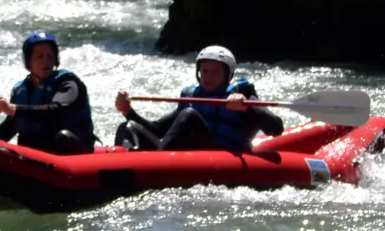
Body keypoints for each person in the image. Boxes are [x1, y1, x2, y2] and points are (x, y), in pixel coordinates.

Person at [113, 44, 283, 153]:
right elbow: (157, 130)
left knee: (189, 115)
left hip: (222, 157)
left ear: (227, 75)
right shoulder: (191, 97)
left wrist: (247, 107)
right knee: (130, 127)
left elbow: (276, 128)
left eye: (215, 71)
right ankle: (121, 164)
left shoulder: (242, 95)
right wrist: (128, 111)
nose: (207, 77)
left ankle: (153, 164)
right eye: (204, 71)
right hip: (187, 153)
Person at [0, 31, 95, 155]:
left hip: (72, 154)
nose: (46, 61)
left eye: (50, 56)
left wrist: (15, 109)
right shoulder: (20, 90)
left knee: (63, 137)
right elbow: (6, 131)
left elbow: (57, 110)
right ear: (29, 61)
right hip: (35, 156)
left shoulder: (68, 83)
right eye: (39, 56)